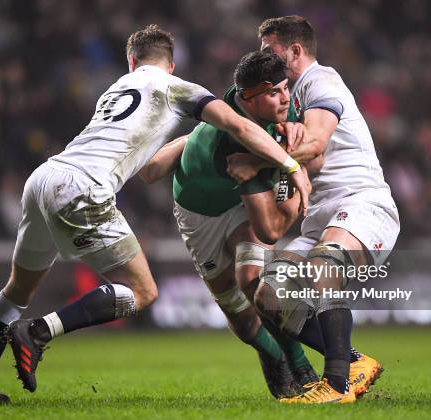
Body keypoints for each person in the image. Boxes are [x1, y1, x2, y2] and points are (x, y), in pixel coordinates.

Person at [0, 24, 310, 404]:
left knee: (17, 290)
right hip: (82, 188)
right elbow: (239, 125)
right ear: (172, 66)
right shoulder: (175, 88)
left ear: (131, 62)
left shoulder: (115, 90)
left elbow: (146, 168)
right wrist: (291, 167)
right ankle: (40, 331)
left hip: (44, 178)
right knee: (143, 291)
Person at [144, 50, 382, 400]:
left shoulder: (273, 104)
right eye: (275, 93)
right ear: (247, 99)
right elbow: (274, 227)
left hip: (240, 201)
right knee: (239, 315)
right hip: (198, 212)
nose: (286, 98)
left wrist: (295, 167)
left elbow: (314, 155)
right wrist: (295, 176)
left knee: (254, 279)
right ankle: (274, 355)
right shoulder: (235, 147)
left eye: (286, 88)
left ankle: (314, 365)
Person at [226, 16, 400, 404]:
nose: (264, 58)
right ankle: (353, 361)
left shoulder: (321, 82)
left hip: (361, 202)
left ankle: (337, 386)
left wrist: (256, 164)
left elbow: (317, 145)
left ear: (295, 51)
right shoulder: (288, 99)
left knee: (324, 265)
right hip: (321, 215)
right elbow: (311, 166)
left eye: (270, 51)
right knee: (266, 294)